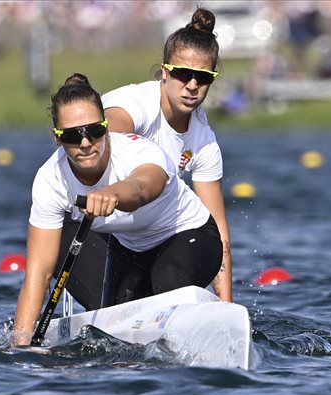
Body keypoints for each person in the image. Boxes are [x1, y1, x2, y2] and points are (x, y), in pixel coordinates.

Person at [13, 73, 223, 346]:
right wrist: (21, 347)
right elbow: (38, 274)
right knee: (114, 328)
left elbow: (144, 187)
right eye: (73, 136)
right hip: (130, 249)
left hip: (189, 235)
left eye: (95, 130)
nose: (86, 143)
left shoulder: (139, 153)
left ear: (106, 126)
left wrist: (112, 194)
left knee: (167, 281)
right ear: (57, 139)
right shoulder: (49, 180)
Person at [101, 7, 233, 302]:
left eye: (203, 77)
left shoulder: (204, 140)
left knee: (169, 282)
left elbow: (220, 231)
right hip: (110, 227)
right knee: (110, 307)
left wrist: (228, 309)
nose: (192, 86)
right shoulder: (138, 103)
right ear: (164, 72)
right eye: (183, 74)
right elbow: (108, 131)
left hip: (170, 231)